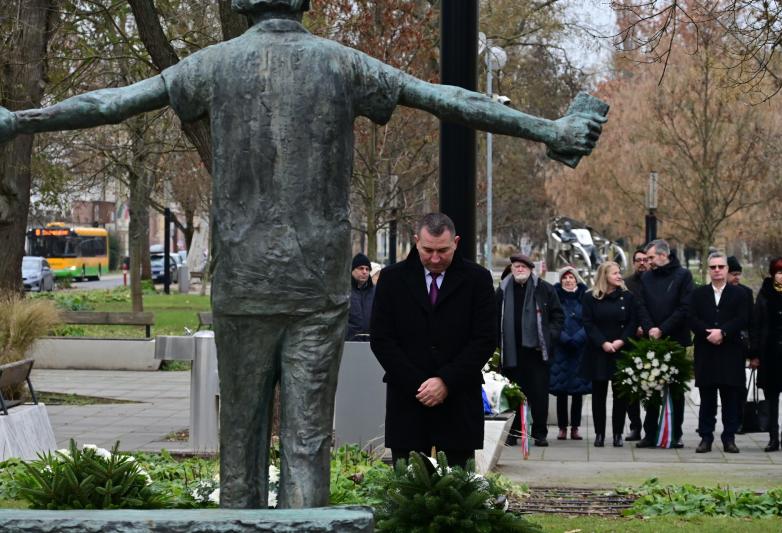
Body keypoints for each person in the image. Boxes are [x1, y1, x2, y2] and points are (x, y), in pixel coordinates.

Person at [0, 0, 605, 509]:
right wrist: (547, 130)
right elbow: (446, 99)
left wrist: (18, 119)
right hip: (316, 285)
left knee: (239, 436)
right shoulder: (340, 64)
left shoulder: (214, 65)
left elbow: (111, 102)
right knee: (308, 438)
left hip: (243, 281)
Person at [370, 213, 496, 468]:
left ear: (456, 243)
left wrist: (446, 381)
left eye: (443, 250)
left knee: (459, 490)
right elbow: (382, 339)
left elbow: (485, 338)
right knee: (406, 489)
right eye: (428, 250)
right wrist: (420, 384)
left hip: (458, 401)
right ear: (416, 241)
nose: (435, 258)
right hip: (408, 400)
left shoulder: (478, 280)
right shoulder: (392, 280)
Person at [496, 254, 564, 447]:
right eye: (516, 266)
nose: (519, 269)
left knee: (539, 394)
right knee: (512, 395)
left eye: (523, 266)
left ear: (531, 269)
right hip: (511, 352)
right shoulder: (502, 290)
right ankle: (513, 432)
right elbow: (493, 317)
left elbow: (558, 317)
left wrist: (548, 336)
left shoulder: (544, 289)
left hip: (536, 352)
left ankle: (539, 433)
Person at [689, 253, 749, 453]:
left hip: (730, 351)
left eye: (720, 266)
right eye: (713, 267)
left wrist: (723, 332)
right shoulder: (698, 294)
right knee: (707, 398)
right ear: (709, 269)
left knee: (730, 397)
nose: (717, 270)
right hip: (706, 351)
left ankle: (729, 438)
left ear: (726, 269)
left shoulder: (740, 294)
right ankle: (705, 437)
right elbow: (692, 317)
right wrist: (709, 333)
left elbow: (743, 318)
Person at [637, 240, 694, 449]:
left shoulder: (683, 275)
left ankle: (674, 432)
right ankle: (650, 432)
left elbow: (685, 306)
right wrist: (650, 327)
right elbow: (640, 305)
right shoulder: (646, 277)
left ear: (663, 255)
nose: (647, 262)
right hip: (651, 340)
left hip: (674, 338)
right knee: (650, 387)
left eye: (651, 258)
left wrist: (663, 329)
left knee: (675, 390)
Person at [581, 261, 639, 447]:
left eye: (619, 272)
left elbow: (632, 322)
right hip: (599, 351)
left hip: (621, 350)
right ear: (604, 276)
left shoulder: (627, 297)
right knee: (598, 395)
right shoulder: (590, 297)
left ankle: (617, 433)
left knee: (620, 395)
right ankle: (599, 433)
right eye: (615, 273)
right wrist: (603, 342)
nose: (619, 276)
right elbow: (588, 323)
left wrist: (621, 341)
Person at [752, 257, 782, 452]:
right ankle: (773, 437)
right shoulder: (765, 294)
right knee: (771, 400)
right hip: (770, 355)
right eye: (780, 272)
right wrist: (754, 354)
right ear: (773, 275)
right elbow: (756, 324)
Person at [549, 267, 592, 441]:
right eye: (565, 278)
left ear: (576, 280)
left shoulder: (586, 297)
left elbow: (590, 320)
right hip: (561, 349)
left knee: (577, 392)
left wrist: (579, 338)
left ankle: (575, 427)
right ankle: (562, 428)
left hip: (580, 350)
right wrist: (564, 338)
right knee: (560, 391)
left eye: (571, 277)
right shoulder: (555, 297)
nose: (568, 280)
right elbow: (552, 320)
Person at [621, 248, 649, 441]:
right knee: (631, 388)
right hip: (631, 341)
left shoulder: (655, 282)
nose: (642, 263)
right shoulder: (627, 284)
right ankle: (635, 426)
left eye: (645, 260)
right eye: (638, 260)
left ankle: (652, 427)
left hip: (652, 339)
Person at [727, 256, 756, 435]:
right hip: (722, 342)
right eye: (733, 274)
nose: (736, 277)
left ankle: (739, 419)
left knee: (739, 384)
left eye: (739, 274)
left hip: (740, 343)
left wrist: (753, 351)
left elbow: (752, 320)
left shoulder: (746, 292)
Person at [347, 253, 374, 341]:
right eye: (361, 268)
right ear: (352, 270)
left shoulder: (376, 292)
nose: (364, 272)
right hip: (349, 343)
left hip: (372, 344)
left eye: (367, 269)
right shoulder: (344, 291)